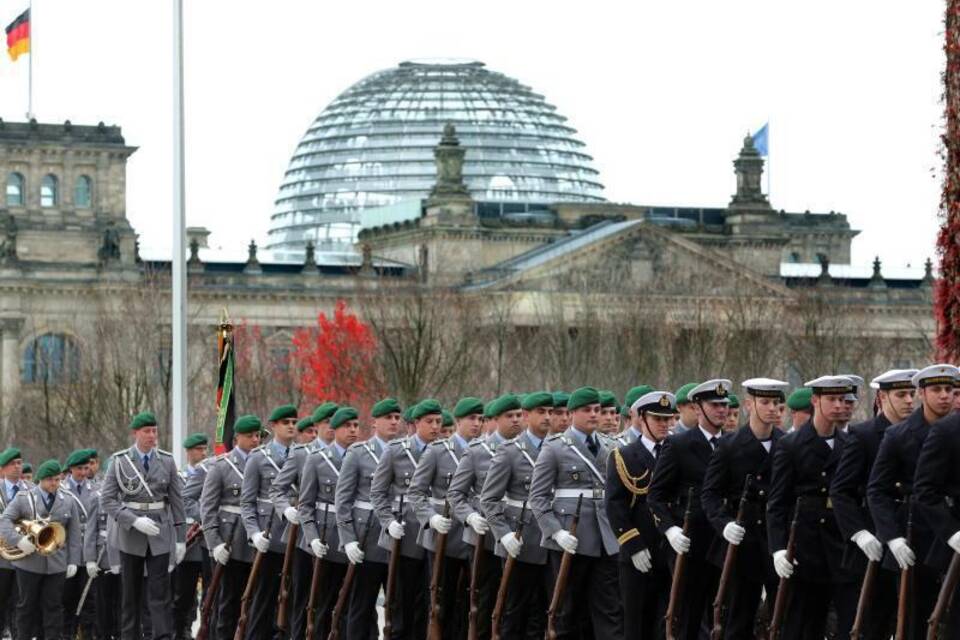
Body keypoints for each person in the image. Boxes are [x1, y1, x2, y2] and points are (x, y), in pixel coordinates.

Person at [867, 364, 958, 640]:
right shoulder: (898, 435)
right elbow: (877, 490)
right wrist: (891, 537)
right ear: (921, 393)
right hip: (914, 537)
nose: (944, 396)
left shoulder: (954, 429)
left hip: (952, 532)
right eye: (936, 389)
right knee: (914, 622)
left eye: (950, 389)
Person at [529, 386, 623, 640]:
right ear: (572, 413)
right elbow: (537, 498)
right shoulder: (555, 448)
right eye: (587, 410)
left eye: (597, 410)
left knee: (610, 610)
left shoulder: (611, 446)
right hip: (571, 540)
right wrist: (555, 532)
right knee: (566, 612)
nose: (594, 415)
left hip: (606, 538)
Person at [767, 376, 857, 640]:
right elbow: (777, 502)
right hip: (805, 547)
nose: (839, 405)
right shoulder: (791, 445)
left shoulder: (848, 443)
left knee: (850, 623)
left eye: (843, 399)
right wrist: (778, 548)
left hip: (841, 546)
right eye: (832, 399)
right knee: (803, 625)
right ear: (815, 401)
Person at [830, 368, 917, 640]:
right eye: (901, 394)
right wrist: (858, 533)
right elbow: (841, 490)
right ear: (882, 397)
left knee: (910, 622)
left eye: (912, 394)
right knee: (871, 624)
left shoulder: (920, 432)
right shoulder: (863, 435)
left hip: (910, 537)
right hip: (874, 544)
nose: (909, 401)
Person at [702, 378, 786, 639]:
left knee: (781, 617)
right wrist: (724, 523)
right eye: (765, 402)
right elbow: (710, 494)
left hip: (777, 540)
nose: (772, 408)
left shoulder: (787, 444)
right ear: (749, 404)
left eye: (776, 403)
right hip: (743, 541)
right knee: (738, 618)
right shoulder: (730, 445)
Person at [648, 378, 729, 640]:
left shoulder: (734, 443)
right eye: (714, 404)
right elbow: (656, 495)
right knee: (689, 615)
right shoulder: (679, 444)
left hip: (726, 538)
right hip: (692, 539)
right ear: (697, 408)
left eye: (724, 405)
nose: (721, 410)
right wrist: (669, 530)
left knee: (724, 612)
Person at [100, 411, 185, 640]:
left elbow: (177, 501)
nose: (152, 435)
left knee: (160, 593)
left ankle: (163, 636)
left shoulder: (166, 460)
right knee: (130, 594)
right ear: (135, 433)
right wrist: (133, 520)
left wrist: (180, 538)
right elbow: (107, 500)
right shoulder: (120, 461)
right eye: (147, 431)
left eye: (154, 431)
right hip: (131, 534)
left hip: (159, 531)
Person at [481, 390, 553, 639]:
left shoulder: (558, 448)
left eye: (550, 412)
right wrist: (503, 535)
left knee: (545, 612)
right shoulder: (510, 451)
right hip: (520, 539)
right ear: (526, 416)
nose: (547, 417)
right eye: (541, 412)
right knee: (515, 611)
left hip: (551, 538)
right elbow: (488, 500)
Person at [449, 395, 522, 639]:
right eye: (509, 416)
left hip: (517, 535)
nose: (516, 420)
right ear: (496, 420)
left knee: (514, 601)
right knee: (484, 602)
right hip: (486, 538)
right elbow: (455, 494)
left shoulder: (528, 449)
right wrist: (469, 517)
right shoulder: (477, 452)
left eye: (518, 415)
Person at [408, 397, 481, 639]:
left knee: (471, 604)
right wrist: (430, 518)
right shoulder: (437, 452)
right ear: (458, 421)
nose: (477, 424)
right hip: (445, 538)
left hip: (476, 537)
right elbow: (416, 492)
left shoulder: (486, 451)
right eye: (472, 419)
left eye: (480, 419)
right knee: (442, 603)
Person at [370, 399, 443, 640]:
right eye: (429, 422)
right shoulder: (396, 451)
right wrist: (388, 521)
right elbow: (378, 493)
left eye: (438, 422)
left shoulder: (446, 450)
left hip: (435, 536)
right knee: (401, 603)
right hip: (405, 535)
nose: (435, 427)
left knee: (429, 603)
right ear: (415, 424)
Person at [605, 390, 674, 640]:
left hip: (671, 550)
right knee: (636, 622)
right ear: (642, 419)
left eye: (668, 420)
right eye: (659, 419)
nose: (665, 425)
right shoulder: (623, 455)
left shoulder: (677, 451)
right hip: (639, 550)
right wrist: (633, 546)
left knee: (668, 621)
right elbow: (615, 505)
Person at [334, 397, 402, 640]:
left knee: (397, 610)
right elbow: (342, 501)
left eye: (397, 418)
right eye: (388, 418)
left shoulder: (407, 452)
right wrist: (348, 539)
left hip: (400, 541)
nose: (394, 422)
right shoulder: (359, 453)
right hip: (367, 540)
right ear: (375, 422)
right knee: (361, 607)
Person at [269, 401, 337, 639]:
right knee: (303, 599)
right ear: (316, 425)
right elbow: (277, 489)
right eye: (327, 422)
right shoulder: (301, 454)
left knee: (333, 600)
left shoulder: (350, 453)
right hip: (303, 536)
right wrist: (286, 510)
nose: (332, 427)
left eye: (334, 422)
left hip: (336, 534)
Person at [0, 458, 81, 640]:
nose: (55, 483)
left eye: (58, 479)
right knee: (26, 607)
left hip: (57, 564)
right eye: (50, 479)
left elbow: (74, 534)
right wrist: (19, 541)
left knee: (53, 607)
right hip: (29, 563)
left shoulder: (68, 500)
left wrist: (74, 561)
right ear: (40, 480)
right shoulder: (24, 498)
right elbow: (4, 521)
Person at [299, 406, 360, 640]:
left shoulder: (364, 456)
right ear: (334, 430)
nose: (353, 430)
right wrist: (312, 538)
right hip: (327, 539)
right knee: (323, 604)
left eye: (356, 425)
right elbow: (305, 505)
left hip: (356, 538)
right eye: (347, 426)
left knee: (350, 606)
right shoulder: (316, 460)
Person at [199, 414, 261, 640]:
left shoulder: (263, 462)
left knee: (253, 604)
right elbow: (208, 509)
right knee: (227, 602)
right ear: (237, 439)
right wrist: (214, 544)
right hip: (229, 543)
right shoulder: (222, 466)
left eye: (257, 436)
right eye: (250, 436)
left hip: (257, 542)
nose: (255, 440)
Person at [240, 403, 298, 640]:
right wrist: (253, 534)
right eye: (286, 423)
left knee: (294, 601)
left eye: (294, 422)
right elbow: (247, 502)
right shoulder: (258, 457)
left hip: (297, 536)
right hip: (269, 535)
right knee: (263, 599)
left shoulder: (305, 454)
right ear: (274, 426)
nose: (291, 426)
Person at [173, 432, 209, 640]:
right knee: (183, 594)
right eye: (198, 449)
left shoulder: (211, 472)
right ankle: (181, 630)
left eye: (205, 449)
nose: (203, 453)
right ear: (188, 452)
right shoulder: (179, 478)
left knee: (210, 593)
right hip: (187, 542)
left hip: (207, 540)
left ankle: (205, 629)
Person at [60, 448, 98, 640]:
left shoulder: (96, 489)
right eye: (79, 469)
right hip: (68, 551)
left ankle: (88, 634)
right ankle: (67, 633)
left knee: (89, 598)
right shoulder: (61, 489)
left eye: (86, 467)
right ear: (71, 469)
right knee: (68, 597)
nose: (84, 472)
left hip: (89, 551)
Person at [0, 447, 27, 640]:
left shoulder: (31, 489)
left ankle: (19, 634)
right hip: (1, 557)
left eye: (19, 463)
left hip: (24, 555)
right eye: (12, 464)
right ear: (2, 469)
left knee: (21, 600)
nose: (17, 467)